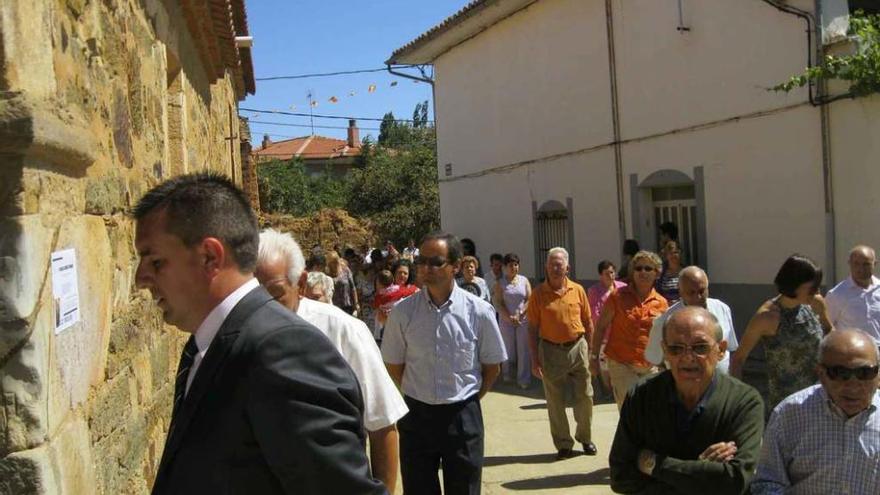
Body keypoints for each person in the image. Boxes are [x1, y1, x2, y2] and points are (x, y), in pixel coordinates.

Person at [133, 173, 384, 494]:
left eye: (155, 261)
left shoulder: (285, 351)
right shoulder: (202, 346)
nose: (141, 279)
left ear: (210, 257)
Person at [255, 229, 408, 493]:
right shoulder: (237, 335)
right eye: (254, 296)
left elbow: (382, 424)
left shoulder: (343, 331)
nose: (264, 308)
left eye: (276, 294)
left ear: (300, 283)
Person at [382, 232, 507, 494]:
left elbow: (491, 367)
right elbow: (394, 365)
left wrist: (469, 398)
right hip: (417, 416)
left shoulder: (479, 312)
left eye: (435, 262)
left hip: (462, 417)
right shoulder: (404, 313)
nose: (426, 269)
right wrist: (417, 392)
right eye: (422, 262)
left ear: (456, 266)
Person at [609, 307, 764, 494]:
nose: (688, 357)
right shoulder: (642, 396)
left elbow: (735, 481)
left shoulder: (744, 402)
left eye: (700, 347)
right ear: (665, 351)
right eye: (676, 348)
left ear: (721, 350)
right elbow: (621, 477)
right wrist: (703, 474)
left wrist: (653, 464)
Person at [751, 329, 880, 494]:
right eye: (841, 374)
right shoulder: (790, 414)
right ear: (821, 374)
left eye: (865, 373)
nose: (853, 385)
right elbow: (766, 481)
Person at [731, 254, 833, 412]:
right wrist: (739, 400)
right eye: (812, 288)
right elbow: (738, 359)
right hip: (786, 404)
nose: (816, 292)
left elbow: (830, 333)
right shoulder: (767, 317)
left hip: (819, 398)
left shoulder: (816, 304)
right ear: (794, 284)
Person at [526, 247, 597, 459]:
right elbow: (531, 328)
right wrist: (534, 359)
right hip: (550, 350)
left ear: (568, 267)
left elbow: (588, 322)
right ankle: (564, 443)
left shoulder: (578, 290)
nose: (556, 268)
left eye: (560, 264)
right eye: (552, 264)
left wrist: (591, 352)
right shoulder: (538, 294)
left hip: (578, 347)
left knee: (585, 396)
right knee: (555, 401)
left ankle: (585, 437)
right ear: (546, 267)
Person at [593, 250, 669, 409]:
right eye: (638, 268)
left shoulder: (661, 303)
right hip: (621, 363)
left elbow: (665, 336)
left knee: (650, 412)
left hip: (650, 366)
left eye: (648, 268)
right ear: (632, 272)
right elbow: (600, 327)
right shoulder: (617, 296)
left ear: (656, 273)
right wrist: (594, 357)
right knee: (631, 408)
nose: (643, 272)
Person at [645, 266, 739, 374]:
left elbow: (731, 348)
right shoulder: (665, 321)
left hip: (722, 384)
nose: (698, 297)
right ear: (680, 292)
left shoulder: (722, 309)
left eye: (701, 291)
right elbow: (654, 359)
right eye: (691, 292)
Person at [825, 245, 880, 349]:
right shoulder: (837, 294)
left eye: (866, 264)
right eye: (856, 264)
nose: (861, 269)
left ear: (875, 264)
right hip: (852, 353)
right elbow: (827, 327)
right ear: (849, 263)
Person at [587, 260, 627, 396]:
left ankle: (618, 390)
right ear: (600, 275)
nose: (610, 275)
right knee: (605, 366)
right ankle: (607, 390)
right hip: (604, 334)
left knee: (620, 364)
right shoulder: (594, 291)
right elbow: (594, 314)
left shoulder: (623, 287)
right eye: (606, 273)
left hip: (620, 334)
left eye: (612, 272)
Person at [494, 253, 532, 389]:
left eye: (516, 265)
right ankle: (507, 374)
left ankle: (523, 378)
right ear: (505, 267)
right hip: (506, 320)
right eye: (510, 265)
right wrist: (508, 316)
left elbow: (529, 299)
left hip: (523, 320)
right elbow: (498, 302)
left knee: (523, 349)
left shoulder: (524, 280)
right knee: (507, 348)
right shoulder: (500, 283)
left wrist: (521, 313)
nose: (513, 267)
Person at [326, 251, 359, 316]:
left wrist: (356, 303)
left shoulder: (345, 270)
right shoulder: (326, 273)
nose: (334, 264)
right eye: (332, 262)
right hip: (334, 307)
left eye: (335, 261)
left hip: (347, 305)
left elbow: (353, 288)